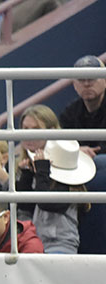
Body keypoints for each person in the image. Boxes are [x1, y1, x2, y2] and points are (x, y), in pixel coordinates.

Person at [15, 139, 94, 255]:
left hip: (61, 245)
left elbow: (45, 202)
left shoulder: (69, 189)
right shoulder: (44, 183)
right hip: (39, 243)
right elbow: (26, 205)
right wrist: (26, 175)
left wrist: (42, 171)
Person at [58, 55, 106, 193]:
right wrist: (78, 152)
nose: (86, 84)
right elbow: (60, 144)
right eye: (81, 79)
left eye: (91, 78)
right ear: (74, 85)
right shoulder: (70, 112)